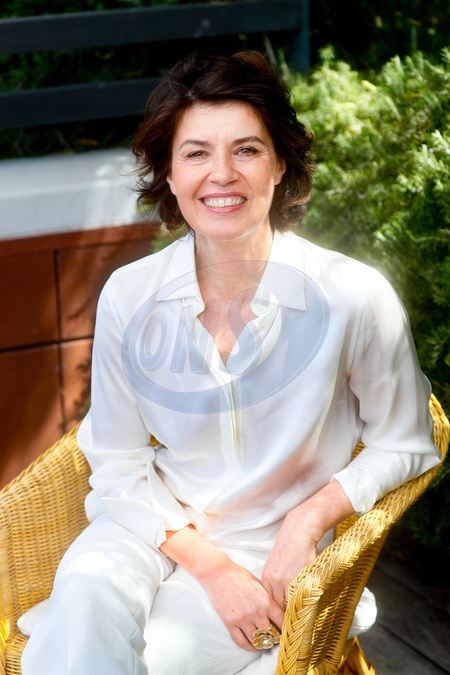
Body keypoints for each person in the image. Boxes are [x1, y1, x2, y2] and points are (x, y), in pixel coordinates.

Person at [21, 51, 440, 675]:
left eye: (247, 149)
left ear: (280, 164)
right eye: (195, 153)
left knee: (129, 661)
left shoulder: (353, 296)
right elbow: (115, 459)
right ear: (168, 173)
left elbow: (407, 441)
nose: (222, 174)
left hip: (267, 550)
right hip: (147, 528)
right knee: (83, 606)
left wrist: (307, 520)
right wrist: (208, 566)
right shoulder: (129, 295)